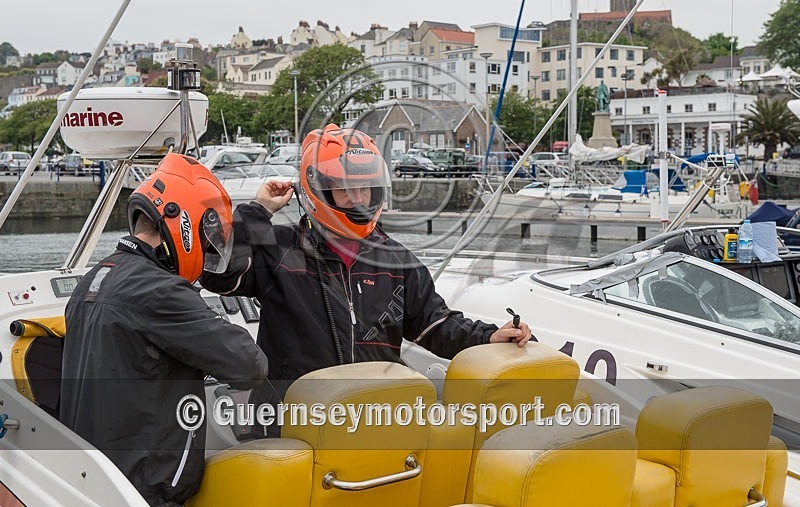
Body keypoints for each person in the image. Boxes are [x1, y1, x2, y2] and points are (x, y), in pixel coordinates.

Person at [200, 124, 533, 426]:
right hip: (293, 421)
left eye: (366, 188)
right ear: (317, 188)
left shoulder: (397, 260)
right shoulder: (280, 249)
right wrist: (258, 211)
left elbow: (435, 324)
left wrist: (489, 337)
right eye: (347, 188)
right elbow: (220, 275)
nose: (359, 198)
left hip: (373, 418)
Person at [60, 153, 269, 507]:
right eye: (206, 238)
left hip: (93, 479)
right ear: (183, 223)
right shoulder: (160, 290)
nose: (205, 250)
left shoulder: (93, 278)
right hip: (145, 489)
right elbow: (250, 364)